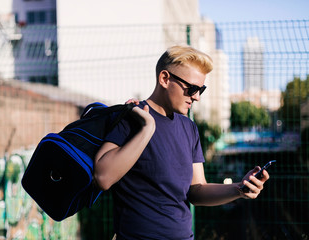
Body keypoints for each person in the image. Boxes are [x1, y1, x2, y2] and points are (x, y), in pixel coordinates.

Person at [94, 45, 270, 240]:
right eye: (192, 88)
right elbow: (103, 177)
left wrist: (239, 189)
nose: (196, 97)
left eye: (201, 90)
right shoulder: (132, 118)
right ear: (164, 79)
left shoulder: (189, 128)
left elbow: (196, 190)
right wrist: (147, 129)